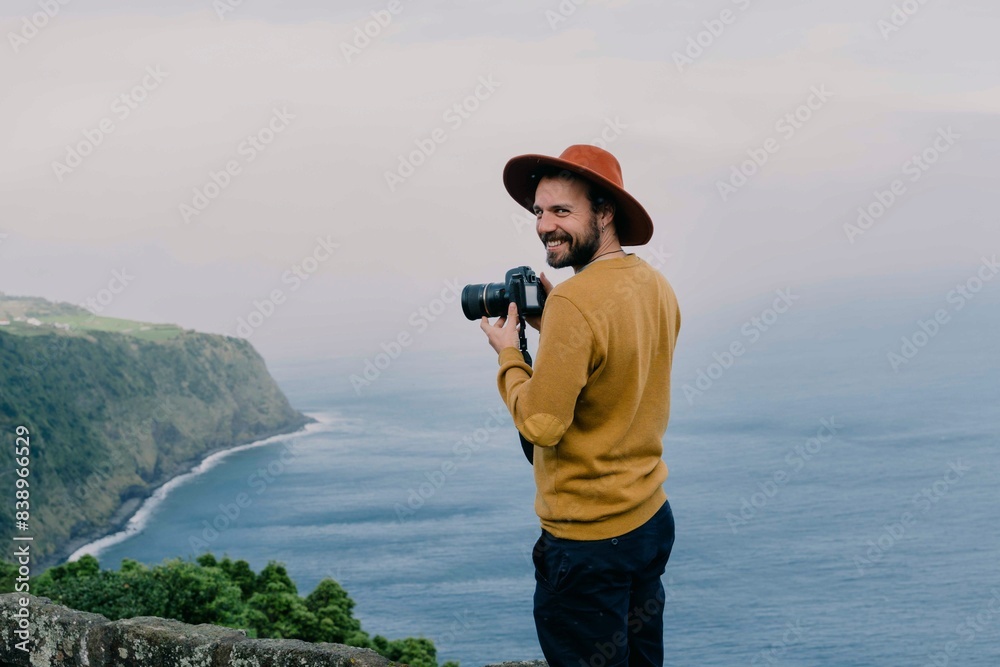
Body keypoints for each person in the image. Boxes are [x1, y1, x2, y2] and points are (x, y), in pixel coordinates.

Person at [477, 144, 681, 667]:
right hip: (648, 519)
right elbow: (615, 369)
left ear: (605, 212)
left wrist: (509, 355)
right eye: (539, 212)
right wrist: (556, 329)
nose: (545, 225)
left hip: (588, 540)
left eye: (562, 211)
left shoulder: (573, 301)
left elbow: (541, 425)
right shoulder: (653, 284)